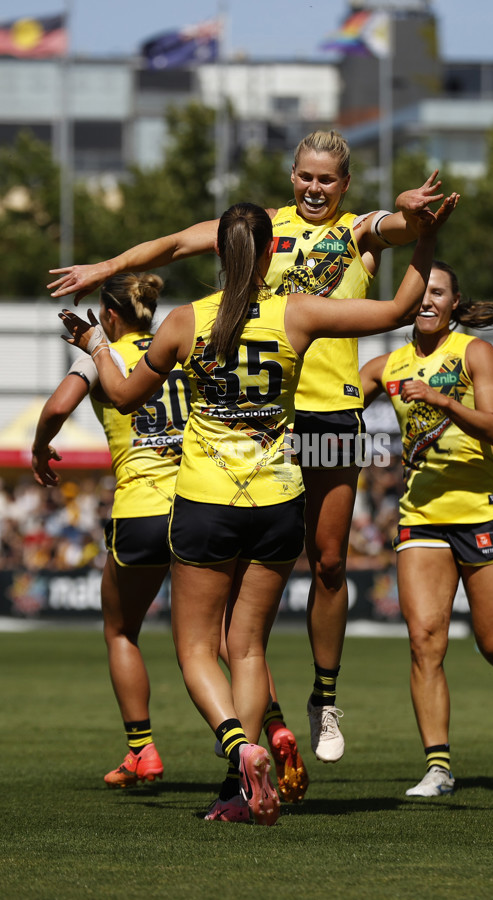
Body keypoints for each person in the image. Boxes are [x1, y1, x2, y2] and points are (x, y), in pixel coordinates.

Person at [48, 130, 446, 765]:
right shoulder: (261, 229)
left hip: (330, 417)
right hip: (279, 424)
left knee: (329, 562)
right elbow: (175, 242)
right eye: (306, 177)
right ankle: (266, 730)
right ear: (292, 177)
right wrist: (108, 266)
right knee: (243, 606)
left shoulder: (356, 231)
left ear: (344, 186)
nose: (315, 189)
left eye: (327, 180)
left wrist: (416, 219)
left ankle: (322, 696)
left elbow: (396, 225)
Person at [359, 260, 493, 798]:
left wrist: (444, 400)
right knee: (425, 640)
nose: (426, 301)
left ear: (452, 303)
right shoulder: (385, 366)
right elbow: (336, 412)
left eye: (437, 293)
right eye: (419, 293)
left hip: (482, 511)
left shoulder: (474, 352)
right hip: (421, 516)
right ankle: (439, 767)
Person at [32, 272, 186, 788]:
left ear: (110, 316)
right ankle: (270, 728)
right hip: (199, 506)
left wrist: (39, 448)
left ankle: (142, 750)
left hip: (141, 509)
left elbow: (56, 409)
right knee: (231, 636)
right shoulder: (179, 349)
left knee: (121, 630)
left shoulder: (103, 356)